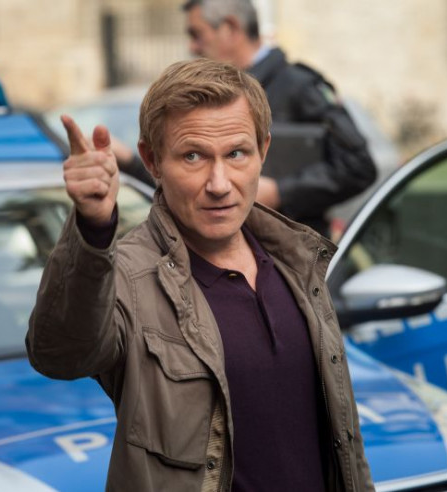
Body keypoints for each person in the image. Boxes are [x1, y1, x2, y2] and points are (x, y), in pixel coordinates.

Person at [26, 58, 373, 491]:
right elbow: (60, 354)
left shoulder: (298, 259)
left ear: (263, 151)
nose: (219, 183)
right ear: (152, 160)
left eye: (237, 154)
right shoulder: (128, 276)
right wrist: (93, 227)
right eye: (193, 156)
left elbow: (344, 445)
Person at [181, 0, 376, 236]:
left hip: (294, 248)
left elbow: (358, 167)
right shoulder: (210, 93)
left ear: (230, 28)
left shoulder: (300, 86)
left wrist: (280, 193)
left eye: (197, 34)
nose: (193, 47)